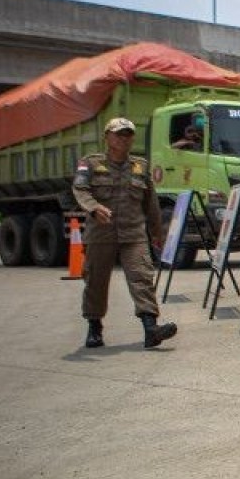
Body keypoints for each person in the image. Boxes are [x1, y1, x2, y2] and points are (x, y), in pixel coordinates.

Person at [72, 117, 177, 349]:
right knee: (96, 282)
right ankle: (94, 328)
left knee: (142, 277)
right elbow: (80, 189)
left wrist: (157, 233)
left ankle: (151, 329)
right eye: (119, 134)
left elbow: (151, 204)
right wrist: (93, 207)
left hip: (134, 234)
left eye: (128, 134)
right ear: (107, 137)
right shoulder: (89, 163)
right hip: (100, 234)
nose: (124, 138)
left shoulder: (140, 166)